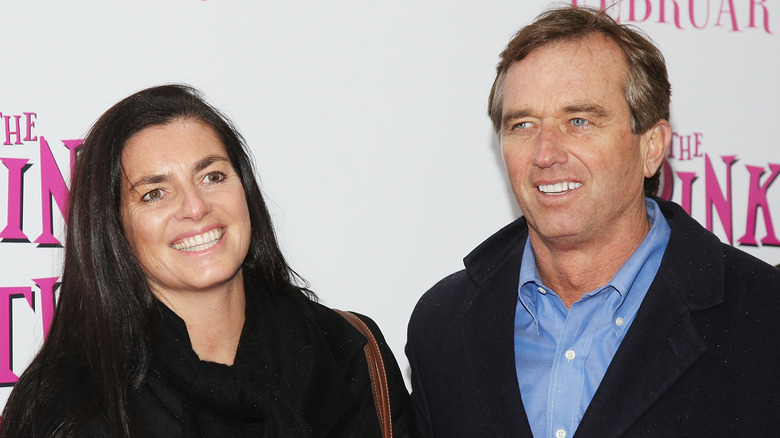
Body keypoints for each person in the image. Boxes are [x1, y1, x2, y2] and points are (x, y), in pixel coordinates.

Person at [406, 6, 780, 438]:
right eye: (522, 124)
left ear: (652, 146)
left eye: (579, 121)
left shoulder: (763, 317)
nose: (545, 153)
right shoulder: (444, 325)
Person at [0, 84, 419, 438]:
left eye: (212, 176)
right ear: (113, 229)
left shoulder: (347, 350)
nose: (195, 207)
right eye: (154, 193)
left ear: (245, 190)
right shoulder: (63, 406)